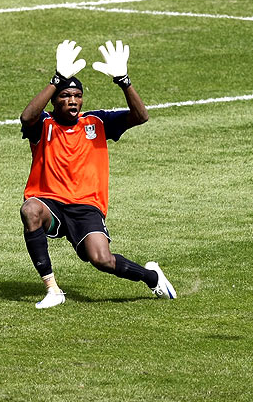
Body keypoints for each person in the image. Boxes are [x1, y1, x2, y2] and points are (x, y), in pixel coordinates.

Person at [20, 39, 176, 309]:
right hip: (50, 202)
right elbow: (26, 117)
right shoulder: (43, 123)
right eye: (65, 96)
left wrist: (124, 81)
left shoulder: (97, 122)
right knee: (30, 210)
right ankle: (53, 289)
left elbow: (141, 116)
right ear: (54, 100)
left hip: (86, 206)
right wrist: (55, 80)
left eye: (77, 96)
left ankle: (151, 277)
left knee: (101, 259)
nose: (72, 100)